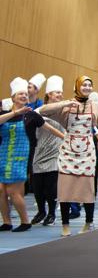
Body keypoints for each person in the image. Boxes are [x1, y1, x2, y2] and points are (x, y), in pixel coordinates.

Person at [38, 76, 98, 237]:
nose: (87, 87)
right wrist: (66, 103)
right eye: (84, 84)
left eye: (90, 85)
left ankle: (88, 223)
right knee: (65, 189)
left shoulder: (95, 106)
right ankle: (65, 225)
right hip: (68, 151)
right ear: (77, 86)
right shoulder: (67, 106)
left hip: (87, 152)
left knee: (87, 189)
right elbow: (43, 110)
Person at [0, 78, 54, 232]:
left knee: (13, 191)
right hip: (3, 154)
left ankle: (25, 221)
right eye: (20, 94)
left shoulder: (31, 115)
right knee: (1, 190)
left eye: (25, 94)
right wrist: (15, 113)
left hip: (20, 156)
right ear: (13, 97)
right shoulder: (4, 113)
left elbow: (48, 128)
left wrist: (66, 138)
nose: (24, 96)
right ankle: (7, 222)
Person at [30, 76, 66, 227]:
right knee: (37, 186)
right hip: (40, 150)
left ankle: (51, 213)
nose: (59, 95)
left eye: (60, 92)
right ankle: (41, 211)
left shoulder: (64, 112)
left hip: (56, 151)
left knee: (50, 187)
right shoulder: (39, 110)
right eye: (56, 92)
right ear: (49, 95)